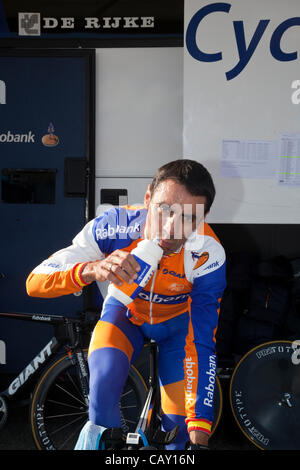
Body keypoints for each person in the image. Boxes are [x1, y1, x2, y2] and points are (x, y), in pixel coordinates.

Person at [26, 159, 226, 450]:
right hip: (126, 315)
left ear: (202, 218)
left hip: (179, 330)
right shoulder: (115, 226)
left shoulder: (208, 252)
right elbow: (34, 282)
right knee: (104, 383)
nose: (171, 229)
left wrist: (199, 438)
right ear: (147, 199)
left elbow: (203, 343)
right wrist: (93, 269)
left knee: (181, 430)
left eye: (187, 218)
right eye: (164, 210)